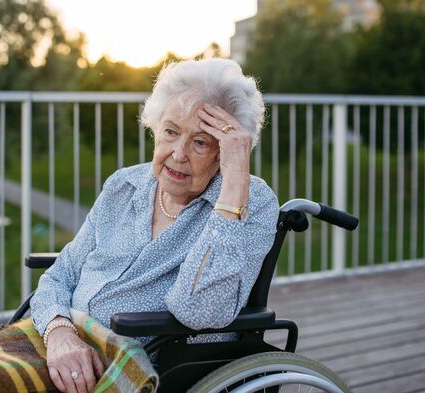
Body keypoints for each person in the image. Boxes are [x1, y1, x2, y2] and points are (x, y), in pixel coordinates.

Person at [31, 58, 279, 393]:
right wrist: (58, 332)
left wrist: (235, 182)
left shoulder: (250, 202)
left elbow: (200, 312)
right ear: (155, 126)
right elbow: (61, 274)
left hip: (137, 370)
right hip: (63, 347)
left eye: (201, 142)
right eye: (171, 131)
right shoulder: (124, 185)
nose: (178, 153)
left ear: (228, 150)